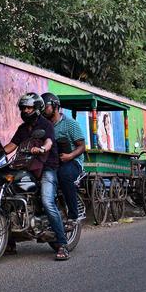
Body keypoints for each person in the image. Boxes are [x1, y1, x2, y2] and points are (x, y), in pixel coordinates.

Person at [3, 92, 70, 261]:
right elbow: (12, 145)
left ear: (37, 108)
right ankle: (9, 242)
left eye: (29, 107)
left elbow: (48, 142)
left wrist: (42, 149)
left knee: (47, 201)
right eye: (23, 108)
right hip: (27, 166)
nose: (26, 110)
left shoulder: (46, 125)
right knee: (8, 196)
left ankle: (62, 244)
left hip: (47, 166)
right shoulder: (23, 128)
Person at [42, 92, 86, 226]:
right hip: (53, 162)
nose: (43, 109)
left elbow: (82, 146)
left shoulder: (70, 124)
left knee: (64, 175)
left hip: (73, 161)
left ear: (55, 106)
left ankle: (73, 215)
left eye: (46, 106)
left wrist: (70, 156)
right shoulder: (44, 125)